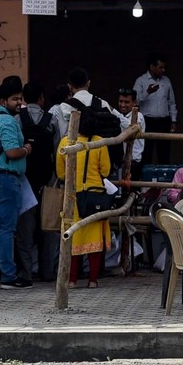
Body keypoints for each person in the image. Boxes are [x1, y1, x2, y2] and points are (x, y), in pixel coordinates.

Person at [0, 79, 33, 289]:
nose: (19, 103)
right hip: (6, 179)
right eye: (15, 99)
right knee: (6, 230)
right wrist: (27, 149)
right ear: (3, 100)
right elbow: (11, 152)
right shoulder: (7, 122)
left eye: (20, 98)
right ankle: (8, 276)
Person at [56, 111, 111, 288]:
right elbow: (106, 171)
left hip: (72, 196)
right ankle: (93, 280)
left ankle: (72, 280)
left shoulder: (66, 142)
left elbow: (61, 173)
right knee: (94, 241)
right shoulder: (100, 143)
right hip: (95, 196)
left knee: (73, 238)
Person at [17, 82, 55, 283]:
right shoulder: (52, 120)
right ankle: (47, 272)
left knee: (24, 230)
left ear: (23, 98)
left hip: (23, 181)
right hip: (48, 181)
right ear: (41, 98)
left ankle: (26, 273)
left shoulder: (16, 120)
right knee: (47, 228)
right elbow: (58, 151)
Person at [53, 68, 115, 146]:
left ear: (69, 86)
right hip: (101, 152)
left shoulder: (64, 107)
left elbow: (64, 136)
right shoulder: (103, 104)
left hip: (77, 154)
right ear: (88, 83)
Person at [133, 53, 177, 164]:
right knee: (146, 153)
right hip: (147, 122)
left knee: (164, 154)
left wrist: (173, 120)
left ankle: (164, 179)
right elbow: (134, 101)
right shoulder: (141, 81)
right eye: (160, 67)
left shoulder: (166, 81)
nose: (163, 70)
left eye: (164, 67)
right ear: (152, 67)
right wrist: (147, 92)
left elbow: (171, 102)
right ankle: (144, 180)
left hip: (164, 121)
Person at [113, 88, 146, 181]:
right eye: (120, 101)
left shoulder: (139, 116)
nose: (122, 105)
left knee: (133, 192)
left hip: (133, 163)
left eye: (126, 102)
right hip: (119, 161)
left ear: (134, 103)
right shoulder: (117, 116)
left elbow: (130, 127)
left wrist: (113, 112)